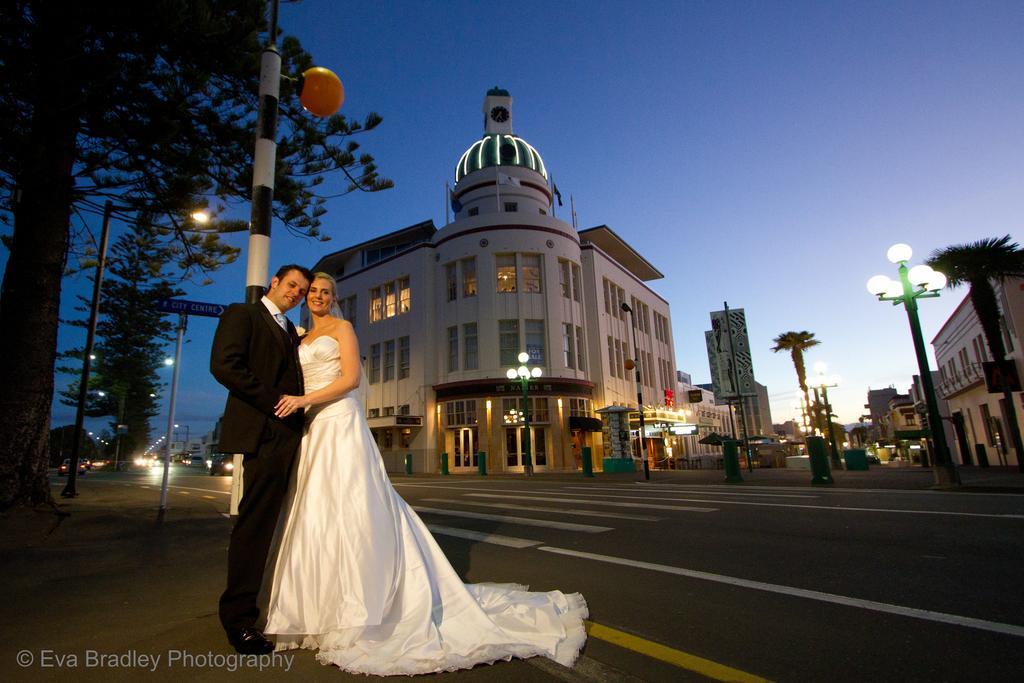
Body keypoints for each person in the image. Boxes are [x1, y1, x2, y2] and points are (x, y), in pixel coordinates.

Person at [261, 273, 588, 675]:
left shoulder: (343, 328)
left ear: (334, 298)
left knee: (353, 504)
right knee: (316, 511)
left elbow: (351, 379)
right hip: (311, 426)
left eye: (326, 292)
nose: (318, 297)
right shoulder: (299, 337)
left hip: (337, 420)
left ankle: (364, 604)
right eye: (313, 291)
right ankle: (318, 605)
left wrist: (305, 399)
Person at [209, 264, 313, 655]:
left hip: (292, 436)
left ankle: (278, 603)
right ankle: (237, 619)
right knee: (254, 525)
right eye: (291, 286)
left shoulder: (290, 331)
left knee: (286, 522)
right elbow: (224, 366)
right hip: (263, 432)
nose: (296, 293)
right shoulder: (244, 313)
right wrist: (274, 403)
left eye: (301, 291)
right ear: (274, 282)